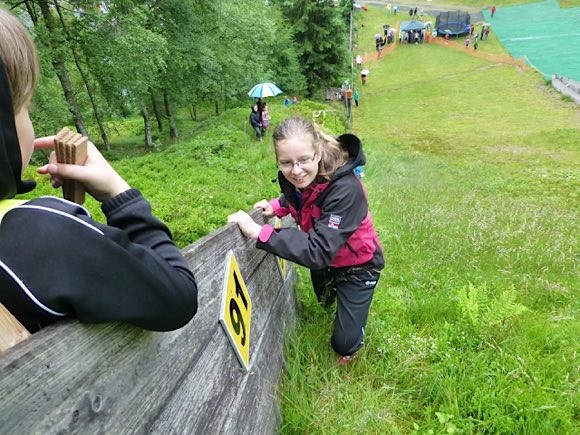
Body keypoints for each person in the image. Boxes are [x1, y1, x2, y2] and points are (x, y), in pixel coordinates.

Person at [0, 7, 198, 333]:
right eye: (25, 106)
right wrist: (118, 193)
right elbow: (179, 295)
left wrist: (71, 210)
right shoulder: (38, 232)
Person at [227, 117, 385, 365]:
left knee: (343, 343)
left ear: (318, 153)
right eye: (286, 163)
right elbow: (300, 199)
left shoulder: (346, 190)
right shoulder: (306, 179)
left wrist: (260, 233)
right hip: (328, 260)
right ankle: (337, 299)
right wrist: (276, 206)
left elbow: (317, 250)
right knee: (323, 301)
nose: (296, 170)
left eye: (303, 160)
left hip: (358, 264)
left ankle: (354, 338)